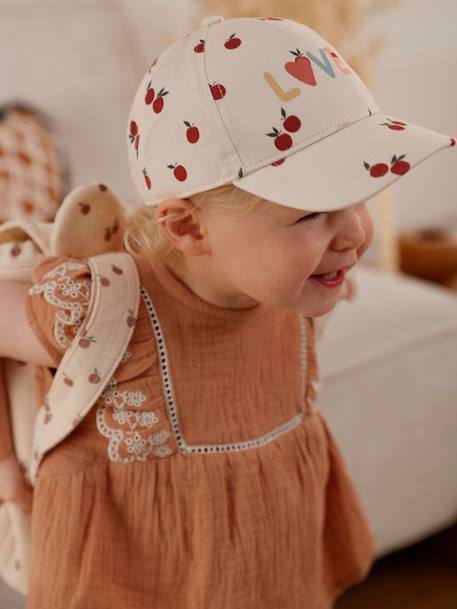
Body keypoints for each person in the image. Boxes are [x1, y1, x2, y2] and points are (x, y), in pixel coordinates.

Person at [0, 14, 454, 609]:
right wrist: (8, 467)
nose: (354, 235)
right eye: (311, 213)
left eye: (359, 196)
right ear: (188, 226)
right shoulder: (99, 308)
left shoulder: (297, 291)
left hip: (272, 567)